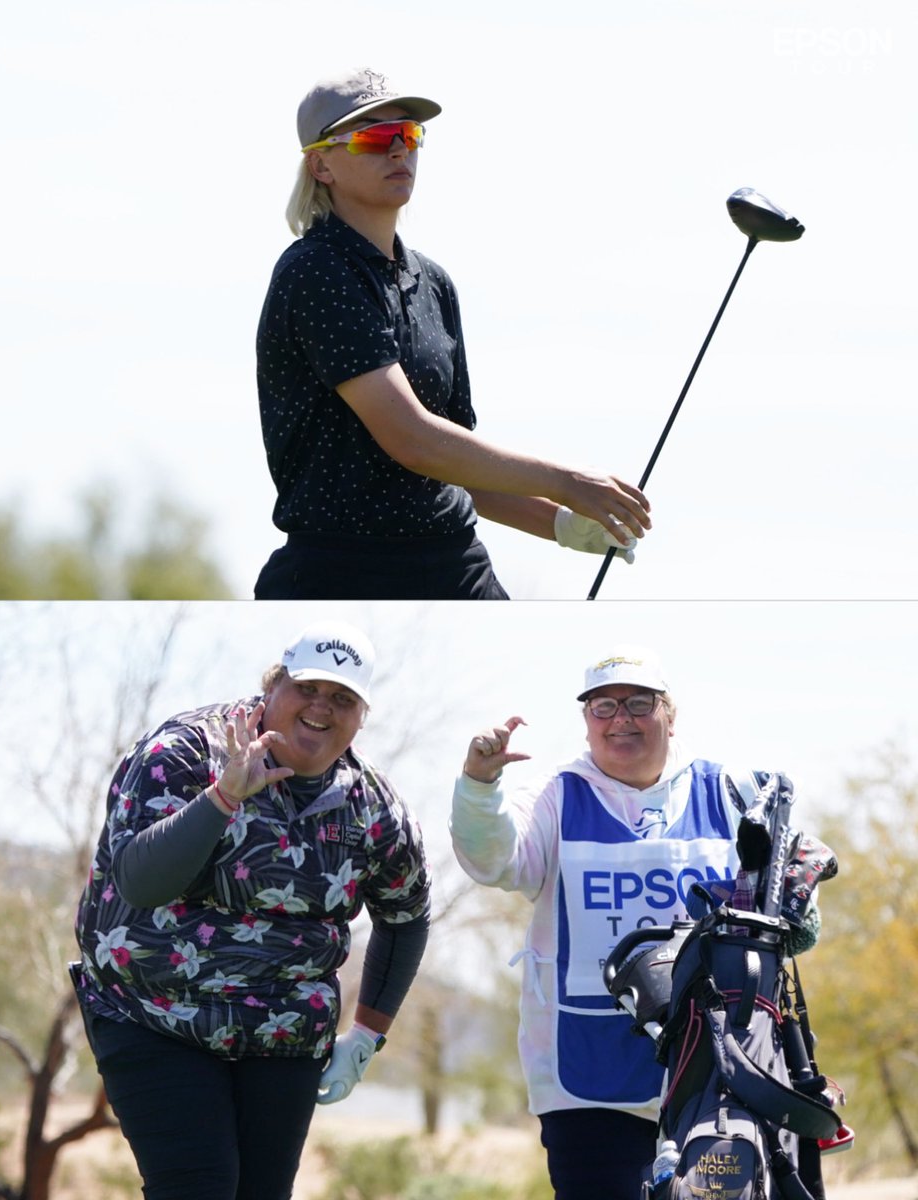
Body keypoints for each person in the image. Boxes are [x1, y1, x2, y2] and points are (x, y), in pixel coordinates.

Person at [254, 67, 652, 599]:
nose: (399, 151)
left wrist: (559, 522)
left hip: (454, 563)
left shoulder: (433, 282)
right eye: (375, 137)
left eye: (409, 135)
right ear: (321, 163)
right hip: (341, 569)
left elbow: (455, 458)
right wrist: (567, 481)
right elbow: (414, 441)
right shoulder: (317, 271)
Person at [72, 619, 430, 1200]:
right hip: (151, 1011)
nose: (320, 708)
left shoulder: (371, 805)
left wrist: (366, 1035)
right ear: (272, 687)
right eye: (306, 689)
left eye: (342, 698)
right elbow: (138, 881)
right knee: (200, 1188)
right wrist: (225, 796)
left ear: (362, 717)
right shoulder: (184, 753)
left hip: (283, 1028)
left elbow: (406, 912)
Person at [449, 645, 820, 1200]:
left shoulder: (732, 790)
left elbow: (795, 914)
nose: (620, 718)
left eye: (639, 703)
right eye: (603, 706)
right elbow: (493, 859)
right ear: (586, 721)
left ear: (670, 713)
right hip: (588, 1078)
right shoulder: (556, 794)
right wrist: (479, 786)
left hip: (722, 1067)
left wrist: (797, 904)